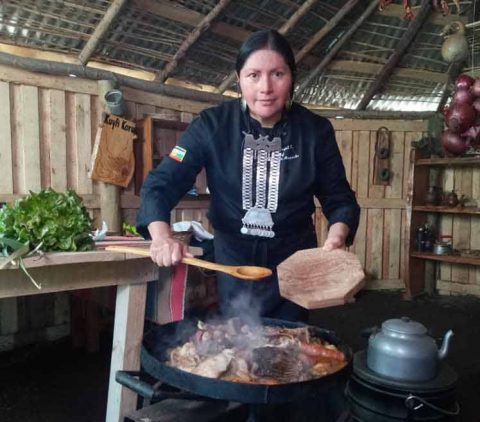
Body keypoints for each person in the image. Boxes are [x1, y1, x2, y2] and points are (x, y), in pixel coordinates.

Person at [137, 30, 360, 322]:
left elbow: (339, 197)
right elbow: (160, 184)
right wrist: (161, 237)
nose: (265, 87)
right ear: (239, 79)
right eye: (253, 75)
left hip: (294, 262)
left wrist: (336, 237)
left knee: (291, 347)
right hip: (233, 262)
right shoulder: (212, 125)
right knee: (239, 343)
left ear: (292, 77)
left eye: (277, 74)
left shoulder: (315, 131)